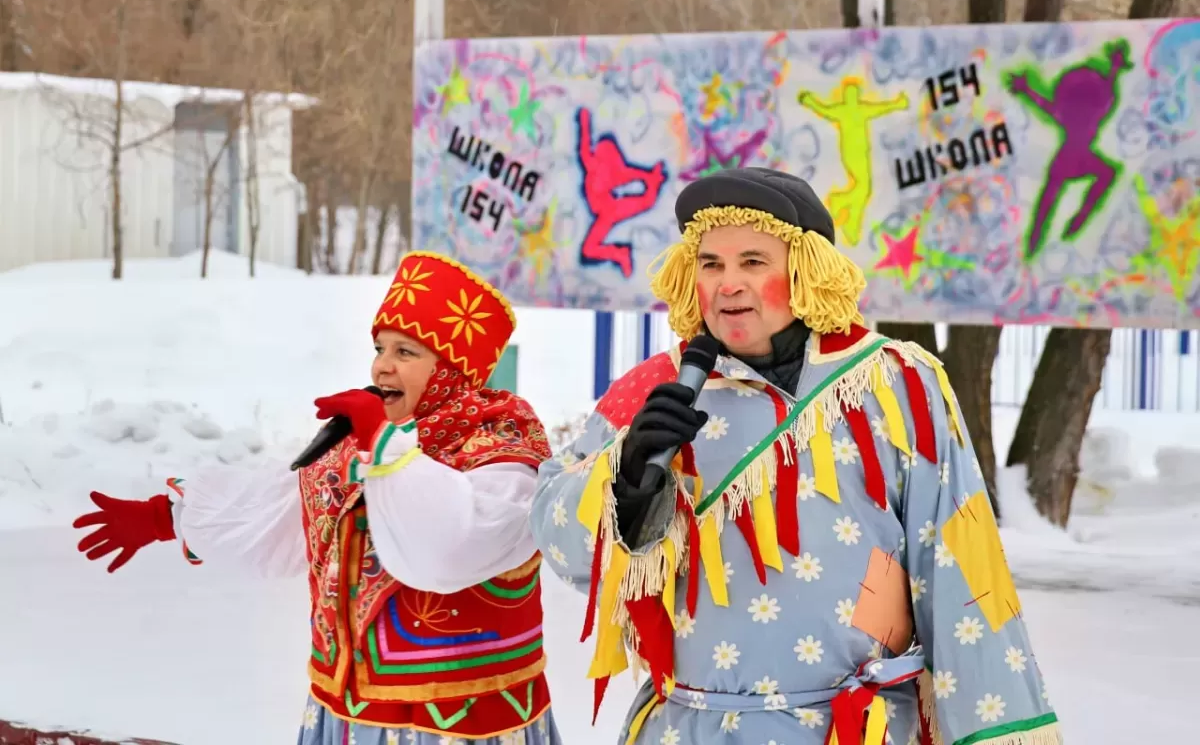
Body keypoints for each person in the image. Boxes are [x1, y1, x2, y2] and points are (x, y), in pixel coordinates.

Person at [531, 168, 1059, 745]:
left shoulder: (894, 383)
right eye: (711, 264)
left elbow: (960, 567)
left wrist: (991, 731)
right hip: (688, 729)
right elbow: (561, 543)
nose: (728, 284)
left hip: (851, 729)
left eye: (753, 262)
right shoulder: (657, 390)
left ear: (806, 270)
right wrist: (627, 480)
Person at [73, 251, 562, 745]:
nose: (383, 367)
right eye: (380, 348)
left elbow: (447, 547)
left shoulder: (504, 454)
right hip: (348, 716)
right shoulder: (366, 444)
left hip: (459, 723)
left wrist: (383, 446)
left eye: (406, 353)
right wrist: (167, 517)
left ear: (453, 369)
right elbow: (282, 512)